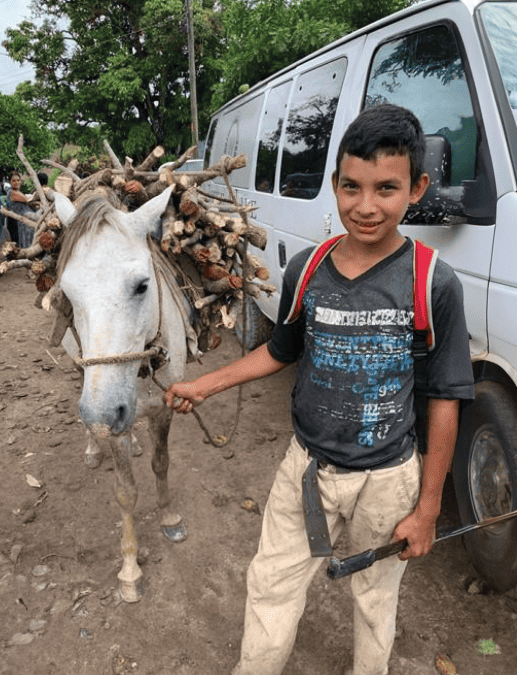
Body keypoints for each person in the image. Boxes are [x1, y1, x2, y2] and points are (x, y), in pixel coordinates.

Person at [163, 104, 475, 675]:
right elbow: (281, 351)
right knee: (272, 583)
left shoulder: (435, 282)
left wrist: (428, 508)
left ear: (417, 188)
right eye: (351, 187)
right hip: (305, 470)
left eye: (387, 188)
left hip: (389, 478)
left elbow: (446, 399)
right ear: (334, 184)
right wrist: (206, 383)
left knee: (375, 599)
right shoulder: (307, 270)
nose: (366, 206)